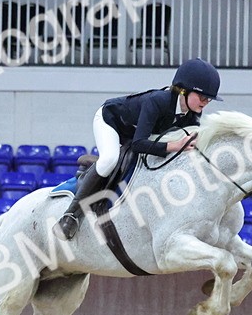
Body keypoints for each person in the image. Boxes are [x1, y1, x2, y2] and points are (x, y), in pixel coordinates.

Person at [55, 58, 221, 240]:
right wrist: (175, 145)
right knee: (110, 159)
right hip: (111, 121)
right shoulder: (157, 101)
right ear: (183, 90)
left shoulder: (193, 112)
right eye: (202, 97)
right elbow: (138, 144)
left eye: (209, 99)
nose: (206, 102)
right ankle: (71, 215)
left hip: (136, 132)